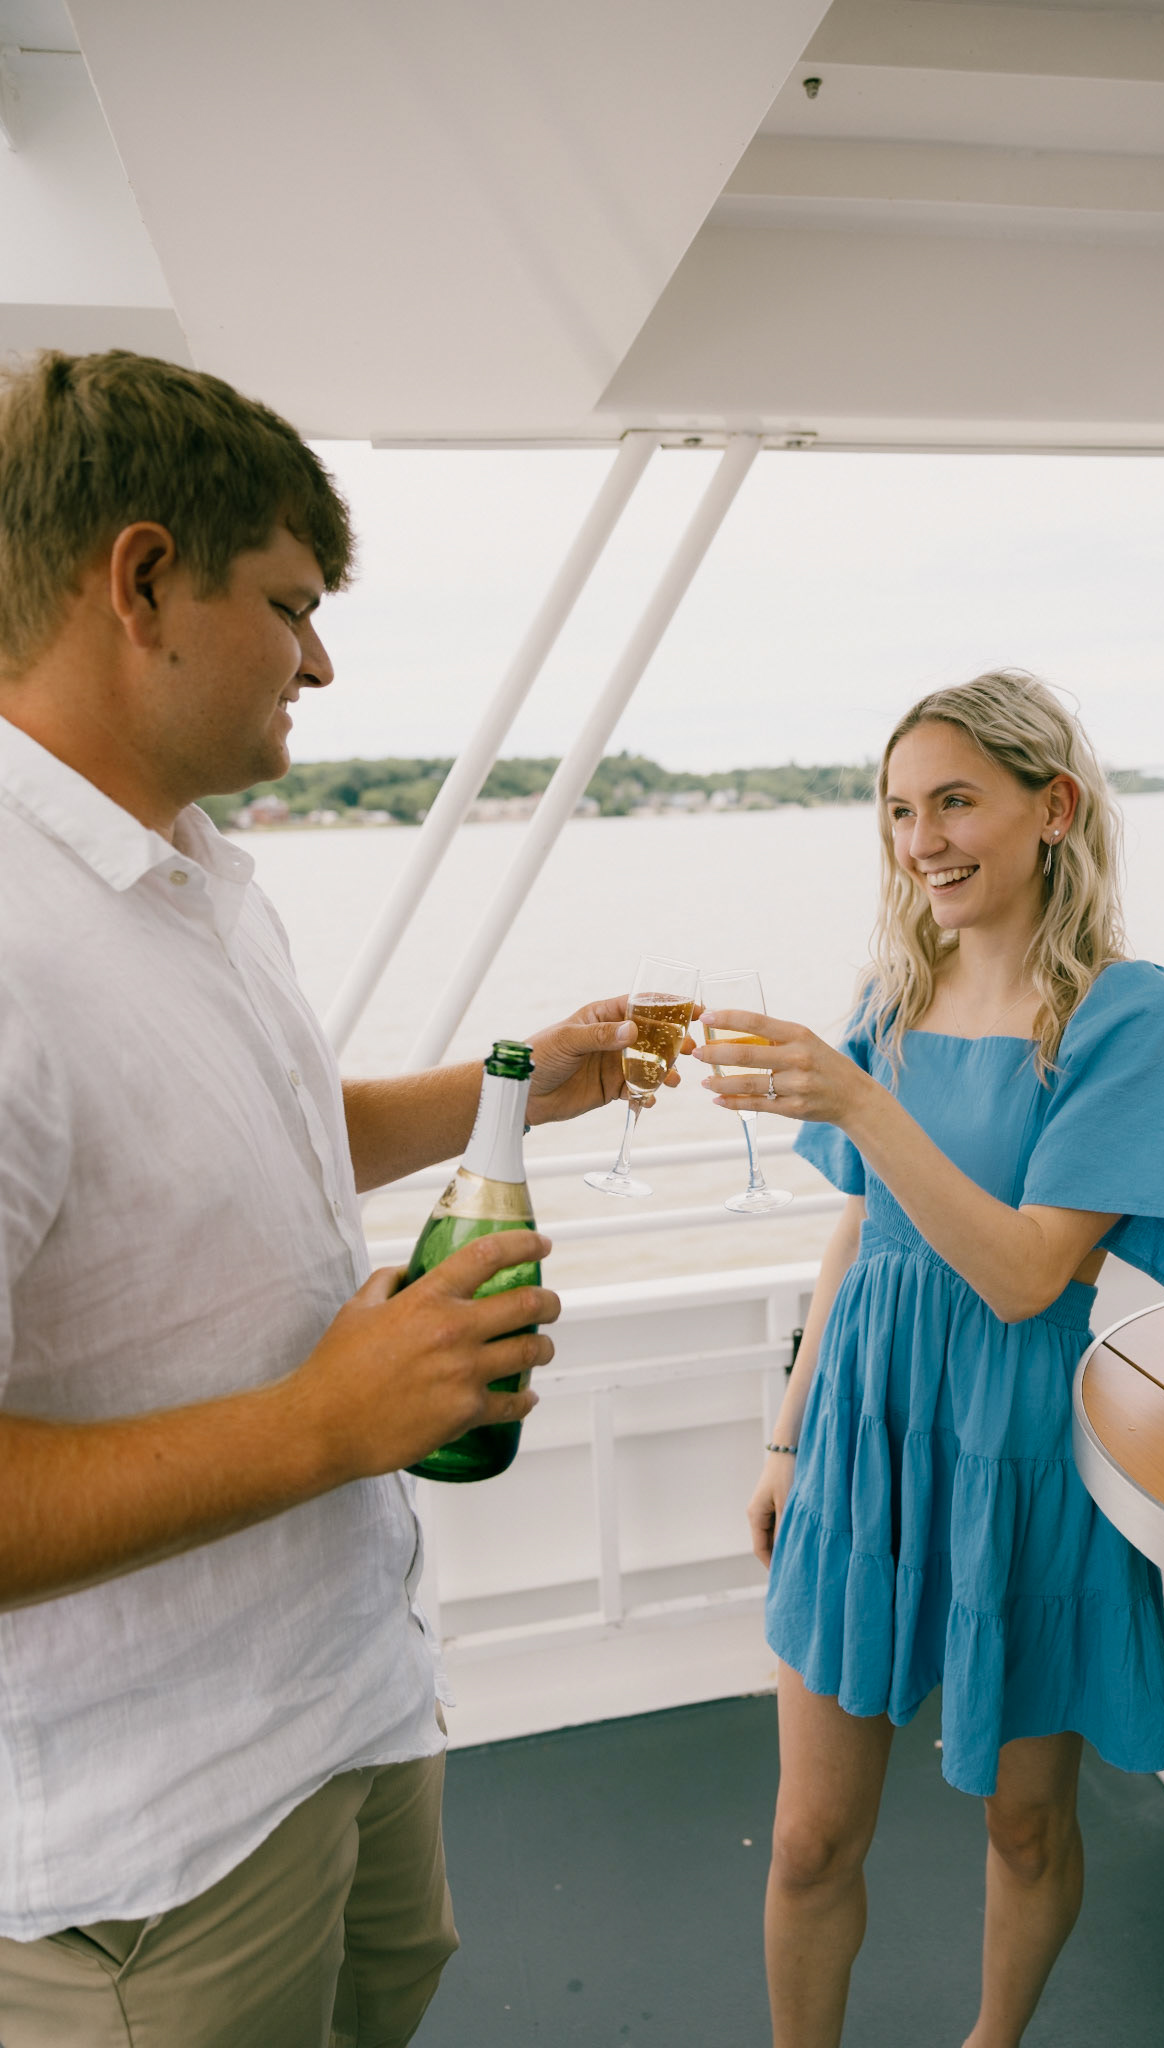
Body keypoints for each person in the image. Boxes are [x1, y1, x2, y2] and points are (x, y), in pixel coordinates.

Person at [0, 349, 677, 2048]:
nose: (319, 660)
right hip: (155, 1845)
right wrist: (328, 1421)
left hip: (344, 1704)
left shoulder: (193, 872)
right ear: (142, 581)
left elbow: (259, 1134)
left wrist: (523, 1083)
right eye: (290, 604)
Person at [693, 672, 1164, 2048]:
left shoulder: (1128, 1017)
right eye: (898, 811)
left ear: (1051, 808)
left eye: (953, 801)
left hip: (1022, 1446)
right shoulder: (893, 992)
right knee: (808, 1840)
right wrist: (787, 1436)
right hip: (865, 1432)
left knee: (1022, 1824)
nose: (920, 841)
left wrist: (860, 1103)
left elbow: (1024, 1275)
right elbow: (857, 1232)